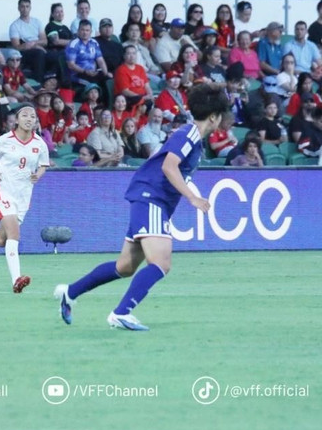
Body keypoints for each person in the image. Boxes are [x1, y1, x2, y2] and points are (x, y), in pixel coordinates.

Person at [55, 84, 228, 331]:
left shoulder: (194, 139)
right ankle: (121, 313)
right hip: (151, 197)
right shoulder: (188, 134)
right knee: (161, 262)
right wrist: (192, 197)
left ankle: (70, 292)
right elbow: (169, 167)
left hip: (149, 198)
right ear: (214, 116)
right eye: (221, 115)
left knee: (124, 266)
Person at [0, 104, 49, 293]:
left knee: (1, 240)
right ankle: (16, 279)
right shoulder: (5, 140)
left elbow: (43, 165)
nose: (29, 119)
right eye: (25, 115)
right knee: (14, 234)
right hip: (3, 189)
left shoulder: (39, 144)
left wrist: (38, 175)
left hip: (23, 194)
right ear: (16, 119)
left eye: (32, 116)